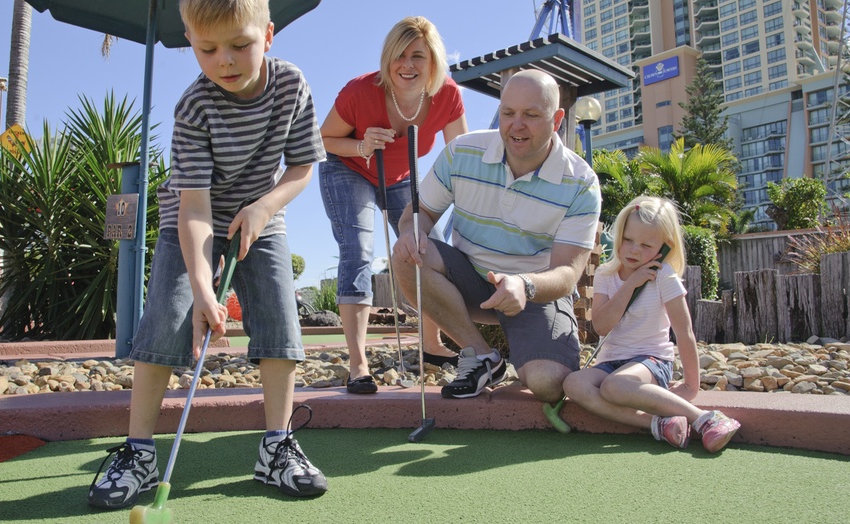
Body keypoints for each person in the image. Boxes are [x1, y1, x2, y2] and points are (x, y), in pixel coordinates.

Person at [87, 0, 327, 509]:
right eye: (207, 49)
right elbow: (194, 209)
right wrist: (201, 287)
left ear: (267, 36)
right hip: (191, 218)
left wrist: (263, 208)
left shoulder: (292, 85)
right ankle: (138, 453)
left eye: (240, 45)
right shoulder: (194, 106)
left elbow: (302, 167)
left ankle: (276, 447)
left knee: (280, 319)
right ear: (192, 43)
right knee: (166, 320)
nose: (224, 61)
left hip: (262, 215)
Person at [392, 69, 600, 403]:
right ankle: (482, 356)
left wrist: (525, 285)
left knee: (549, 383)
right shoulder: (462, 152)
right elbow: (417, 217)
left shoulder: (582, 182)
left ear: (557, 119)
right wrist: (411, 234)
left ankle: (532, 354)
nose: (516, 125)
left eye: (531, 115)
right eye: (508, 113)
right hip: (469, 282)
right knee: (405, 254)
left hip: (533, 292)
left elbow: (567, 274)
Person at [319, 16, 468, 394]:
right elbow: (322, 140)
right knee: (359, 250)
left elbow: (460, 157)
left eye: (417, 55)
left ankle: (431, 346)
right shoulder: (359, 92)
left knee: (424, 248)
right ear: (387, 59)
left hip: (401, 176)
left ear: (433, 61)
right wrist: (362, 145)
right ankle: (358, 364)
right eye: (399, 55)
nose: (407, 65)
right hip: (349, 167)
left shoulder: (446, 95)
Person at [562, 196, 741, 452]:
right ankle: (658, 424)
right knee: (573, 384)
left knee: (615, 386)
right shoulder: (606, 274)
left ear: (664, 248)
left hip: (651, 360)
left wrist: (692, 384)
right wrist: (631, 284)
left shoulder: (663, 277)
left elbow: (684, 331)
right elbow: (601, 326)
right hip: (612, 363)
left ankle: (705, 418)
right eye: (628, 240)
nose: (634, 250)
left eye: (646, 245)